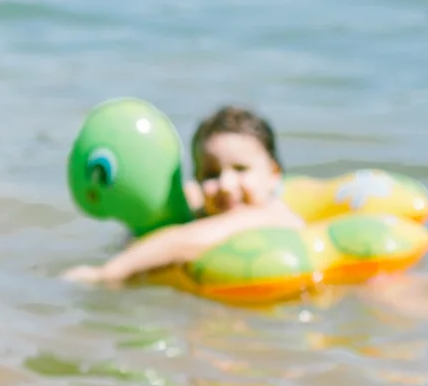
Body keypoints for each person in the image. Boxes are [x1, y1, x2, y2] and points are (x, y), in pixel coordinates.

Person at [65, 104, 302, 285]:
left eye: (241, 169)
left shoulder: (272, 214)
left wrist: (107, 272)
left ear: (274, 174)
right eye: (211, 174)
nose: (226, 185)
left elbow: (186, 240)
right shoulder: (201, 206)